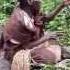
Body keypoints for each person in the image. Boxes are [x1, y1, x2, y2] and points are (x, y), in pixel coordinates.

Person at [3, 0, 70, 63]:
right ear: (30, 1)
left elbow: (47, 18)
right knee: (52, 55)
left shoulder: (30, 10)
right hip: (17, 51)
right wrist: (46, 38)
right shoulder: (21, 21)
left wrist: (62, 5)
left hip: (32, 41)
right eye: (39, 0)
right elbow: (25, 46)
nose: (41, 2)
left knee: (52, 41)